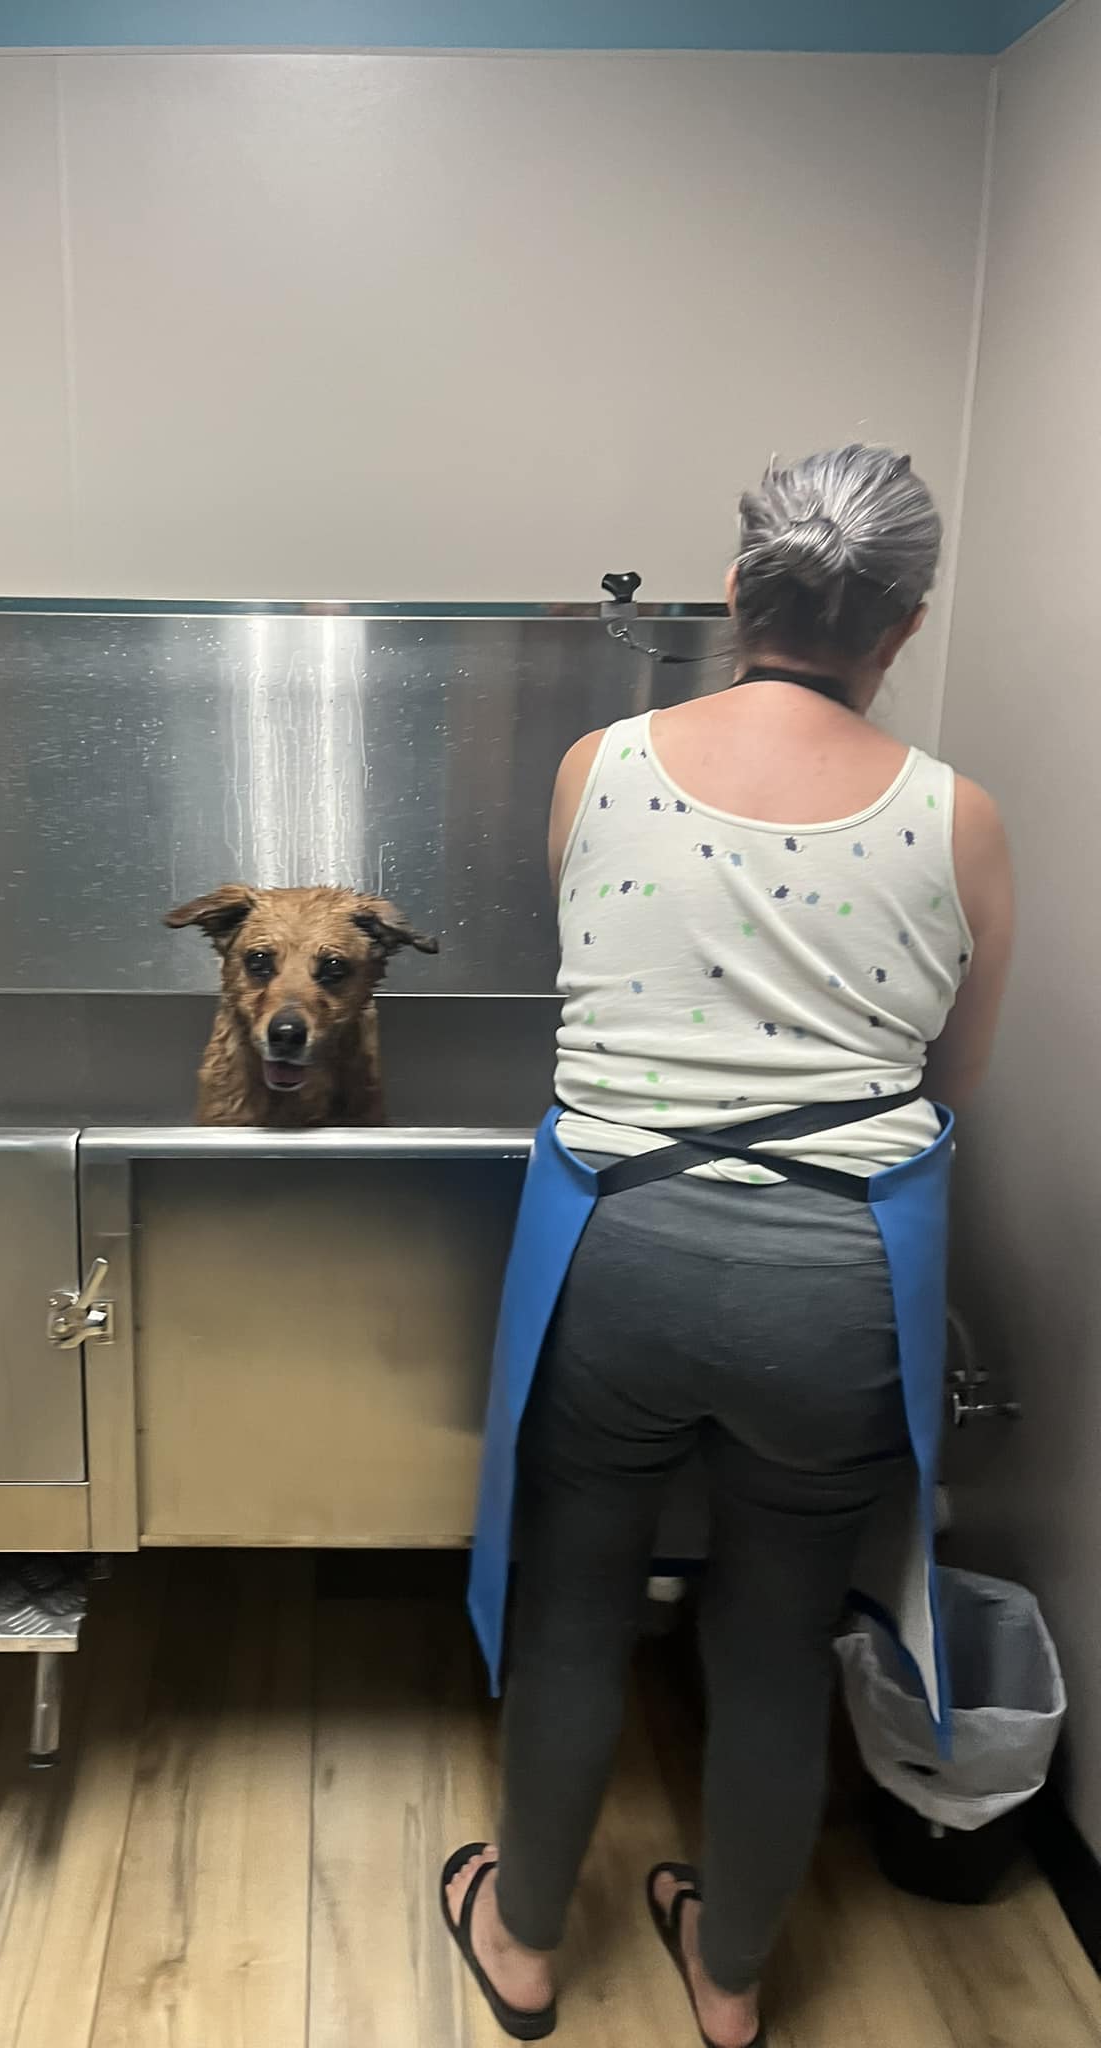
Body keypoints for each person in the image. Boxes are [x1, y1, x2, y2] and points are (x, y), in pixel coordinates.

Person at [441, 446, 1014, 2047]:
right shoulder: (960, 819)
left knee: (576, 1605)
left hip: (615, 1255)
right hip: (838, 1284)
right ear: (902, 626)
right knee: (774, 1640)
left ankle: (526, 1944)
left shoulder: (598, 766)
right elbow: (950, 1089)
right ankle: (732, 1977)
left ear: (738, 588)